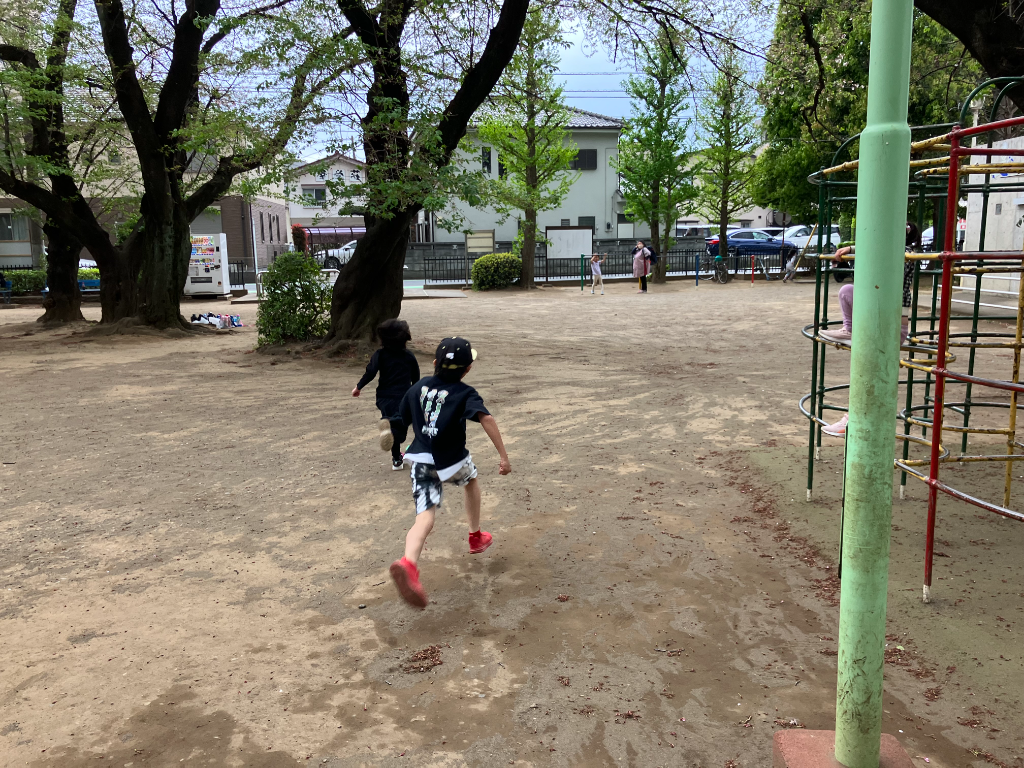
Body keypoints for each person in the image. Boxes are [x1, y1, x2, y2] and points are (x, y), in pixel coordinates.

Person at [389, 337, 511, 609]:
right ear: (467, 369)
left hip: (420, 458)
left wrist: (393, 438)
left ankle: (408, 563)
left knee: (424, 517)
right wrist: (503, 456)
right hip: (453, 460)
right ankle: (475, 535)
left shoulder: (417, 388)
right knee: (471, 481)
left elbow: (399, 421)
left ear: (434, 363)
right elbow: (486, 418)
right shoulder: (465, 392)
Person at [352, 319, 420, 470]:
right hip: (403, 397)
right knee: (400, 428)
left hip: (384, 396)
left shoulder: (380, 355)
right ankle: (393, 433)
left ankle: (397, 461)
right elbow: (416, 379)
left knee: (390, 423)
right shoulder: (409, 357)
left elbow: (370, 372)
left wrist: (358, 387)